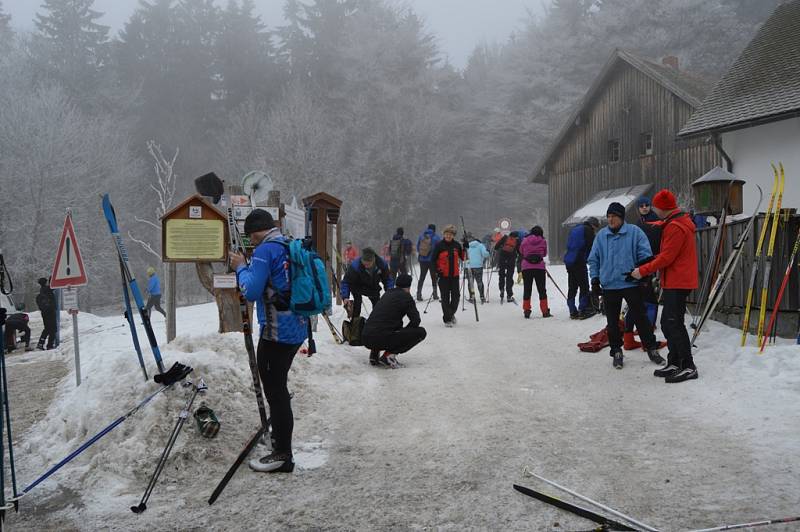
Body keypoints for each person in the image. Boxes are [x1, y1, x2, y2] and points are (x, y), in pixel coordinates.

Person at [230, 209, 307, 474]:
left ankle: (283, 455)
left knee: (276, 392)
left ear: (254, 232)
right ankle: (280, 444)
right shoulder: (287, 243)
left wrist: (240, 267)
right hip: (297, 326)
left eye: (250, 236)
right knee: (279, 388)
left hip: (277, 332)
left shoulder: (265, 250)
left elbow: (250, 291)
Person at [632, 189, 699, 383]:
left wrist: (642, 270)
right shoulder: (673, 222)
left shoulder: (675, 227)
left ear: (662, 208)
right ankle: (675, 361)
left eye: (654, 206)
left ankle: (688, 366)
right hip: (675, 280)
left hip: (678, 281)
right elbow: (662, 227)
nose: (652, 209)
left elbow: (667, 257)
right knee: (667, 322)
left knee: (674, 323)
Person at [587, 202, 664, 370]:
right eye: (608, 216)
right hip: (609, 285)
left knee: (641, 318)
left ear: (621, 217)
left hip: (631, 283)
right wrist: (594, 280)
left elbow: (645, 254)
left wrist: (644, 276)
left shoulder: (634, 233)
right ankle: (616, 351)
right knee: (612, 322)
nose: (610, 219)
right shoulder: (601, 236)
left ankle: (651, 348)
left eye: (614, 216)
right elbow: (594, 260)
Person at [361, 273, 427, 368]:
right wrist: (405, 333)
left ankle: (374, 354)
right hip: (380, 337)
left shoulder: (387, 293)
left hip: (366, 337)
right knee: (421, 332)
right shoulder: (406, 297)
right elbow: (416, 321)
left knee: (385, 325)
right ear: (408, 286)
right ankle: (389, 356)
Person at [623, 197, 662, 349]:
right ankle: (647, 335)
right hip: (642, 265)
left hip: (651, 262)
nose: (645, 208)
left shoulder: (655, 220)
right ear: (638, 208)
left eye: (647, 205)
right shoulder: (639, 223)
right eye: (642, 206)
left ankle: (630, 336)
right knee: (648, 300)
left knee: (637, 300)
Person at [341, 248, 394, 319]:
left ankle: (376, 322)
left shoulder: (381, 264)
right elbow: (346, 282)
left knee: (377, 306)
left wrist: (390, 291)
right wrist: (345, 296)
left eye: (368, 264)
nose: (366, 266)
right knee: (357, 303)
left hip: (372, 286)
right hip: (357, 286)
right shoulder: (355, 266)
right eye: (364, 263)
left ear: (373, 260)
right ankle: (355, 322)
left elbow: (387, 279)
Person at [563, 217, 599, 319]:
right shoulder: (588, 230)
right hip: (578, 261)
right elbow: (591, 246)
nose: (595, 230)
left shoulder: (575, 228)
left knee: (572, 286)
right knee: (584, 286)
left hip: (569, 260)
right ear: (593, 225)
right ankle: (583, 310)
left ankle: (572, 310)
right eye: (595, 227)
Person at [432, 224, 464, 327]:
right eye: (446, 234)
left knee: (456, 297)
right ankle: (447, 320)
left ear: (453, 235)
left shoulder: (457, 245)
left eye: (450, 234)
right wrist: (437, 270)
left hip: (454, 276)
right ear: (444, 234)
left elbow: (464, 258)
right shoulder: (439, 245)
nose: (448, 236)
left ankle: (450, 314)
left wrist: (465, 248)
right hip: (443, 276)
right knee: (445, 298)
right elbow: (433, 260)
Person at [519, 226, 550, 319]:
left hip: (526, 267)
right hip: (539, 267)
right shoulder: (543, 241)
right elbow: (544, 254)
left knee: (527, 289)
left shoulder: (525, 240)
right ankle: (545, 311)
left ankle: (526, 311)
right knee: (542, 289)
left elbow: (521, 251)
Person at [416, 224, 441, 301]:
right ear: (434, 229)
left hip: (422, 260)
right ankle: (435, 294)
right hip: (432, 261)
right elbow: (439, 249)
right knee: (434, 277)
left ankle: (418, 294)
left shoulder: (422, 236)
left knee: (422, 277)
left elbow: (418, 247)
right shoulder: (436, 237)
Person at [494, 231, 520, 303]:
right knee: (509, 277)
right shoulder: (517, 241)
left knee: (501, 275)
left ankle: (502, 289)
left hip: (502, 259)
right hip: (511, 260)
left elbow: (496, 247)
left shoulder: (505, 238)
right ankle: (509, 295)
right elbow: (519, 251)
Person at [464, 233, 489, 303]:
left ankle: (472, 297)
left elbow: (464, 256)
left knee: (470, 282)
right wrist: (488, 252)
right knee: (479, 282)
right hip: (478, 266)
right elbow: (485, 254)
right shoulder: (480, 245)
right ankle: (482, 297)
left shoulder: (467, 246)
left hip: (468, 266)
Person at [35, 277, 57, 350]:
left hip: (44, 313)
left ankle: (40, 343)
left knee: (47, 328)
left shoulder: (41, 291)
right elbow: (53, 285)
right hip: (50, 311)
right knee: (53, 329)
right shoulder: (48, 289)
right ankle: (50, 345)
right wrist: (53, 277)